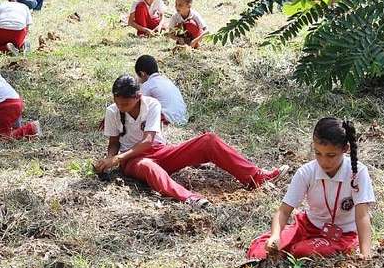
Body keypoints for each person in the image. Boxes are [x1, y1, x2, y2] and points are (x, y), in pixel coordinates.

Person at [94, 75, 288, 208]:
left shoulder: (151, 104)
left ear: (138, 96)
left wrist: (117, 158)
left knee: (208, 141)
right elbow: (113, 142)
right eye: (118, 102)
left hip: (157, 151)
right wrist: (110, 159)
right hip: (133, 161)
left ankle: (255, 177)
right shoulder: (112, 111)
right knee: (146, 166)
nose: (121, 107)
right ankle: (189, 197)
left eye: (126, 103)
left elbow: (148, 141)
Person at [247, 118, 375, 260]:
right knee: (259, 251)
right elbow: (283, 211)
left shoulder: (358, 173)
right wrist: (275, 235)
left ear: (345, 149)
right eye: (318, 153)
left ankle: (337, 246)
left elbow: (362, 216)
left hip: (343, 233)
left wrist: (365, 253)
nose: (323, 161)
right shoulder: (306, 172)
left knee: (302, 251)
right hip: (309, 226)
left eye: (331, 155)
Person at [135, 55, 187, 126]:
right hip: (182, 119)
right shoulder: (166, 80)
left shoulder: (148, 84)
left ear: (142, 74)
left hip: (167, 121)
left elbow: (136, 105)